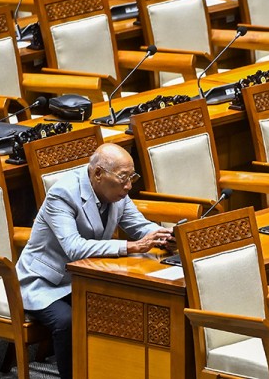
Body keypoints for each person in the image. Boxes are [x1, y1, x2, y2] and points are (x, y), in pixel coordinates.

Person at [16, 143, 174, 379]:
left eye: (132, 177)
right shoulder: (62, 195)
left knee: (123, 305)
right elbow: (74, 248)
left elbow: (140, 227)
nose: (129, 185)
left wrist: (167, 237)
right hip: (46, 281)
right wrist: (130, 246)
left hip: (86, 277)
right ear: (98, 173)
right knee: (67, 321)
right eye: (123, 178)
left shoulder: (119, 192)